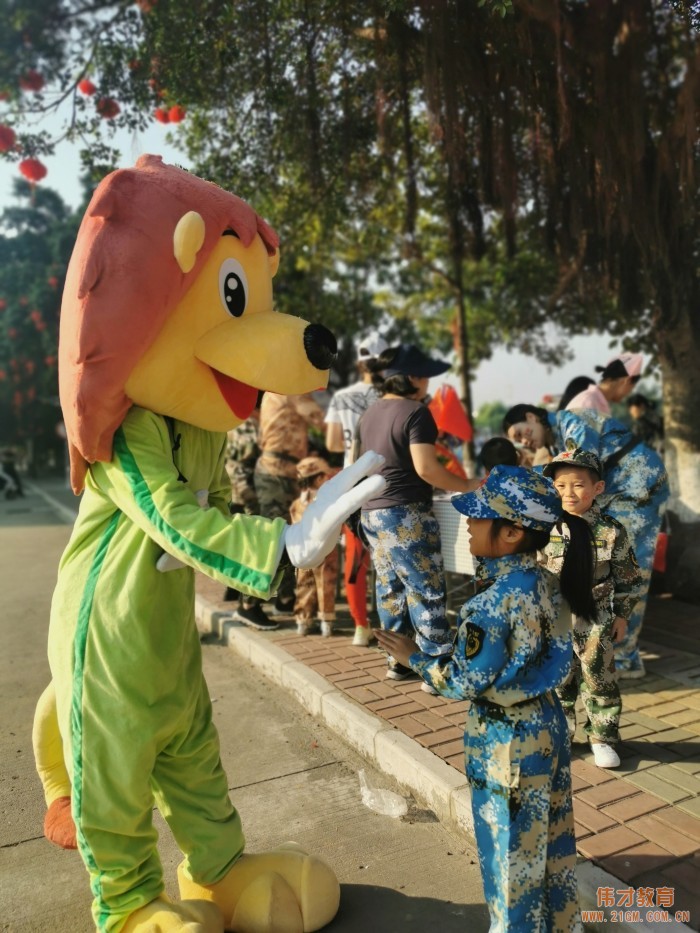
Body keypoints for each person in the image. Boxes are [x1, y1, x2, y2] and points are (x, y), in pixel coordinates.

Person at [377, 465, 595, 932]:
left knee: (509, 855)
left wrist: (416, 658)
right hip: (548, 725)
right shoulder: (549, 585)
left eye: (479, 517)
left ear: (512, 532)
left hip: (506, 740)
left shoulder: (489, 605)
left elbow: (463, 681)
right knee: (552, 840)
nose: (470, 526)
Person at [503, 402, 669, 678]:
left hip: (635, 491)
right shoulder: (559, 436)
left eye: (521, 432)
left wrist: (526, 475)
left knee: (628, 568)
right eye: (518, 440)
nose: (524, 440)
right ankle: (607, 651)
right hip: (620, 492)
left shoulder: (572, 421)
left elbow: (581, 465)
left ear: (531, 417)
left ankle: (626, 658)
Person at [357, 343, 479, 690]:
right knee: (425, 589)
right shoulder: (416, 412)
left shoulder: (369, 414)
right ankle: (435, 668)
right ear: (411, 378)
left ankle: (398, 662)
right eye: (424, 375)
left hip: (372, 510)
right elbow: (426, 468)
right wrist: (466, 483)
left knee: (390, 589)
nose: (428, 383)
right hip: (406, 512)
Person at [542, 449, 644, 769]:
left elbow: (628, 578)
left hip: (596, 615)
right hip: (553, 616)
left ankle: (602, 738)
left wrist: (623, 616)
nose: (568, 493)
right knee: (558, 679)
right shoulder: (544, 527)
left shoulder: (611, 531)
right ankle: (560, 736)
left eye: (577, 485)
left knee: (598, 678)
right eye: (560, 486)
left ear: (597, 488)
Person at [235, 390, 325, 630]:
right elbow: (322, 420)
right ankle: (247, 605)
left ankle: (285, 598)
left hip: (283, 472)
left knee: (286, 539)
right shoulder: (289, 391)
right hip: (276, 472)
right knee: (271, 541)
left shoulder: (280, 390)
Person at [325, 334, 387, 646]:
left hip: (352, 482)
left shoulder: (342, 397)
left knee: (356, 557)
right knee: (388, 556)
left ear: (358, 362)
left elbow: (333, 443)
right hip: (388, 480)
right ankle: (393, 626)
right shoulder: (392, 396)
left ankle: (361, 626)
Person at [290, 456, 339, 636]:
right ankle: (326, 620)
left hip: (303, 550)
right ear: (318, 478)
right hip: (326, 549)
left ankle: (302, 620)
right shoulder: (324, 501)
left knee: (304, 584)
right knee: (325, 584)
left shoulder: (298, 503)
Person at [222, 404, 261, 605]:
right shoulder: (249, 426)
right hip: (245, 492)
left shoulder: (226, 422)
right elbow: (246, 462)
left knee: (233, 542)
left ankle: (232, 587)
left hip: (226, 490)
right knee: (249, 545)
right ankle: (245, 599)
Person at [565, 352, 644, 414]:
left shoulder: (596, 403)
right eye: (631, 388)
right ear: (626, 381)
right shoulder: (587, 404)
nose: (629, 393)